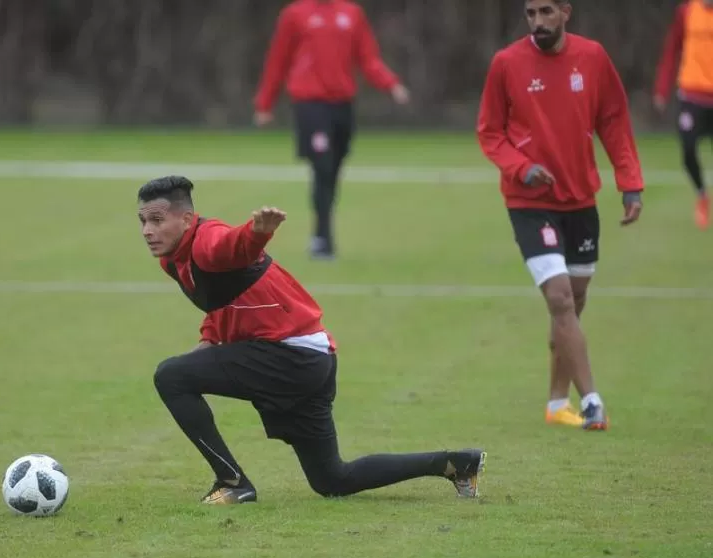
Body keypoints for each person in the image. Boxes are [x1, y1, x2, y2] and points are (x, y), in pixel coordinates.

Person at [139, 175, 486, 504]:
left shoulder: (206, 241)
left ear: (187, 219)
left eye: (157, 220)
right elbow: (221, 298)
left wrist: (255, 233)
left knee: (171, 375)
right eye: (143, 221)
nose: (148, 231)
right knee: (332, 480)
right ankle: (455, 464)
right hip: (311, 356)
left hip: (288, 356)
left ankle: (232, 482)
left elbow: (232, 248)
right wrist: (209, 338)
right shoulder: (173, 259)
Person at [476, 0, 644, 431]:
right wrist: (521, 167)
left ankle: (555, 404)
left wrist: (630, 181)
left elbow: (614, 121)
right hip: (529, 203)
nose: (537, 22)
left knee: (573, 302)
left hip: (580, 201)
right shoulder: (506, 63)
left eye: (546, 12)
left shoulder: (592, 58)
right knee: (560, 298)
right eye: (530, 13)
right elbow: (490, 133)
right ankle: (591, 401)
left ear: (566, 11)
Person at [253, 0, 411, 260]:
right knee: (322, 167)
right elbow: (278, 60)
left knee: (334, 170)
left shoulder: (352, 14)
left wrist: (391, 84)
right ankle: (322, 239)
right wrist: (265, 103)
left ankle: (322, 233)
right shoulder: (295, 14)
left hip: (342, 106)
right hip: (311, 105)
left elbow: (368, 58)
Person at [654, 0, 713, 230]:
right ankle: (701, 194)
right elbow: (671, 50)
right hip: (692, 95)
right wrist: (662, 88)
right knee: (688, 149)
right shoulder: (687, 12)